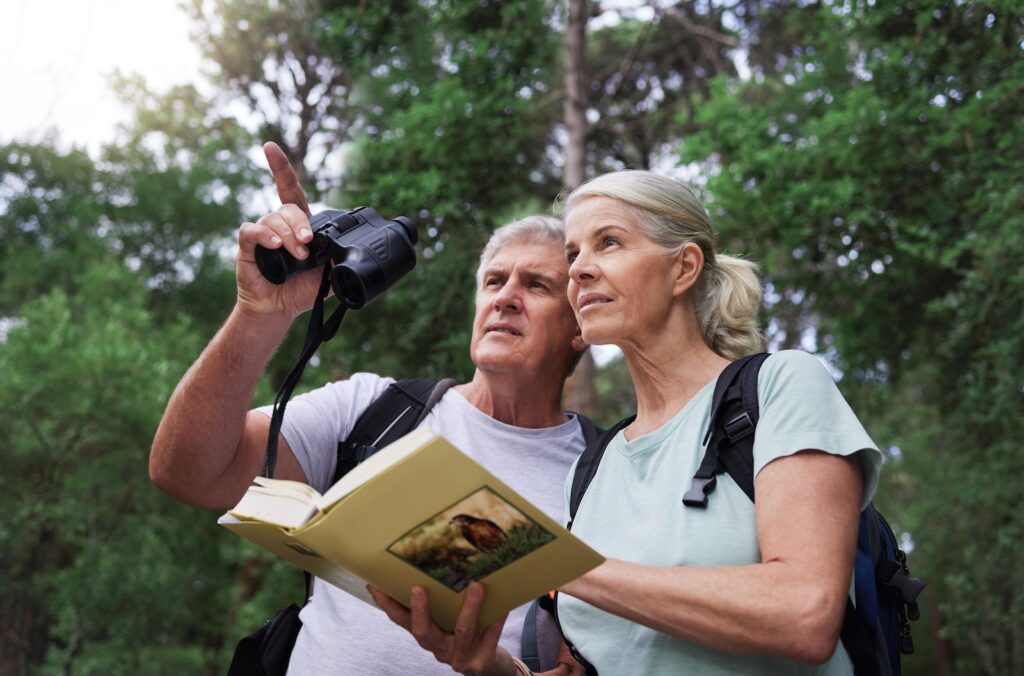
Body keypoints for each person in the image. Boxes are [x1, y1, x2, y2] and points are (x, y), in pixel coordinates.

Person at [373, 169, 883, 676]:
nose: (579, 271)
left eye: (609, 242)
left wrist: (550, 562)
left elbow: (804, 613)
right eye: (574, 255)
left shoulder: (778, 388)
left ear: (683, 269)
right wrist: (494, 668)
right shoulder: (590, 470)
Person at [148, 142, 590, 675]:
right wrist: (259, 313)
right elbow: (188, 473)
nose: (505, 297)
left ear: (581, 328)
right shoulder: (373, 407)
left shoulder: (607, 474)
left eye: (536, 285)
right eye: (494, 281)